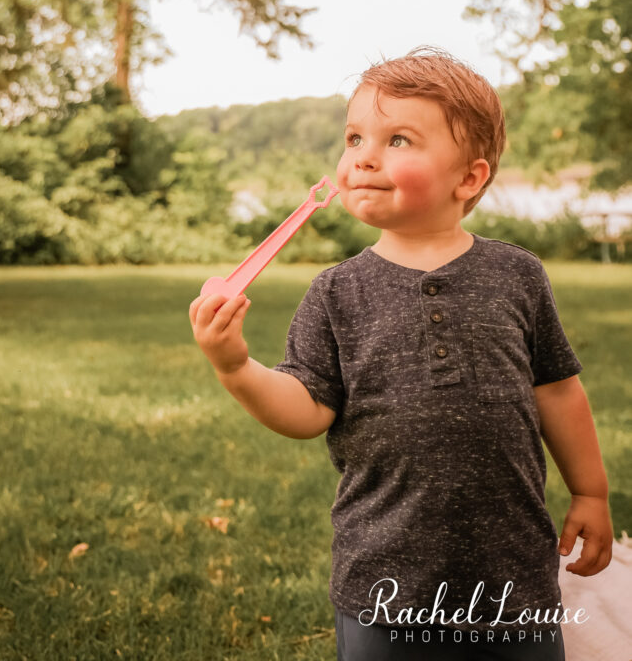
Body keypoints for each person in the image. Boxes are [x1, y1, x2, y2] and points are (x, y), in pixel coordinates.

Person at [188, 47, 614, 660]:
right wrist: (235, 367)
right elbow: (308, 409)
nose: (363, 156)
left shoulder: (517, 275)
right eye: (354, 137)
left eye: (398, 140)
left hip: (512, 574)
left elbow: (557, 388)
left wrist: (590, 493)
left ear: (469, 178)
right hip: (383, 581)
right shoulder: (336, 293)